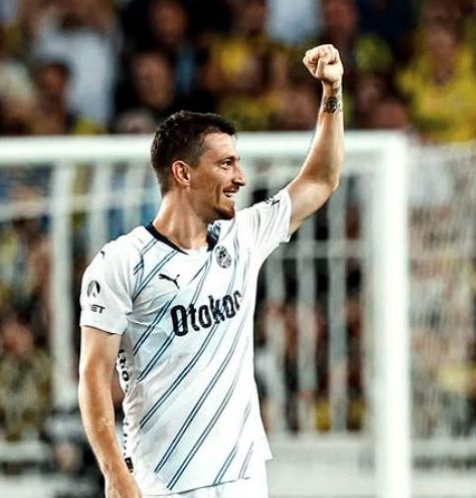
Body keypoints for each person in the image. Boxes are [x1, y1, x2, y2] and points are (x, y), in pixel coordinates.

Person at [78, 44, 344, 498]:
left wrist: (332, 93)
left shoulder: (243, 237)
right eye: (226, 164)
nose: (241, 177)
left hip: (244, 477)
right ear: (183, 173)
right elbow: (93, 377)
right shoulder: (122, 262)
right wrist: (116, 474)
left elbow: (320, 180)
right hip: (164, 481)